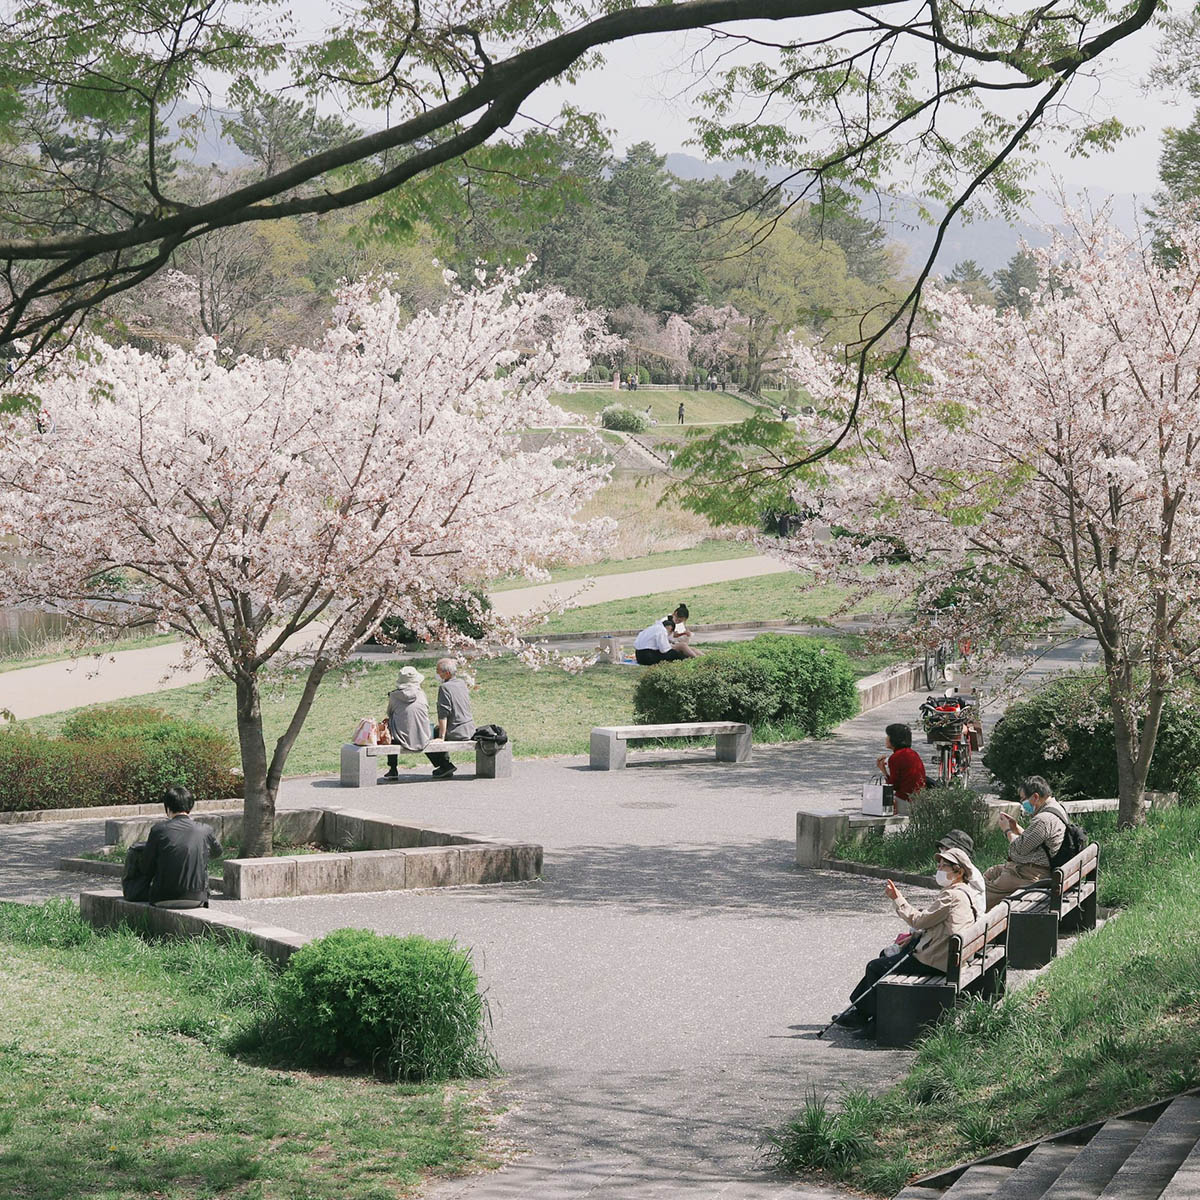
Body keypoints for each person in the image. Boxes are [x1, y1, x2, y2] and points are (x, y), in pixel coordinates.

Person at [834, 846, 981, 1035]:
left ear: (959, 871)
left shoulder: (951, 895)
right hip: (952, 957)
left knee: (875, 967)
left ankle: (872, 1021)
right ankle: (862, 1013)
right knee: (887, 957)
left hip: (937, 961)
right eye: (939, 864)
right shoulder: (966, 892)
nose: (939, 869)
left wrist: (898, 899)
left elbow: (919, 921)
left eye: (944, 866)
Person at [129, 785, 222, 909]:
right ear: (190, 807)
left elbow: (147, 867)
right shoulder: (205, 829)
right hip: (196, 900)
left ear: (167, 808)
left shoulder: (158, 830)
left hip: (162, 898)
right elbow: (218, 853)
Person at [984, 775, 1067, 908]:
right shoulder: (1057, 808)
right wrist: (1016, 828)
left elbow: (1017, 850)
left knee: (984, 891)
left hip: (1031, 876)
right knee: (991, 872)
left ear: (1035, 797)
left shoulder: (1043, 820)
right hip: (1038, 870)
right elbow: (1038, 841)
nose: (1023, 803)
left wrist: (1007, 831)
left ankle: (973, 921)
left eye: (1023, 799)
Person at [427, 658, 476, 779]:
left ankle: (445, 765)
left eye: (438, 671)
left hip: (457, 731)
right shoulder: (462, 683)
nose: (437, 674)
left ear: (447, 673)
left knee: (426, 735)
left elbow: (443, 714)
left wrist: (441, 737)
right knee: (437, 729)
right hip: (469, 728)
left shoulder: (444, 688)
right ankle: (445, 765)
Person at [382, 665, 430, 780]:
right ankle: (444, 764)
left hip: (400, 737)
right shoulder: (421, 694)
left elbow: (390, 712)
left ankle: (393, 768)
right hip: (423, 736)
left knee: (390, 724)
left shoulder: (394, 696)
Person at [875, 723, 927, 809]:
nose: (886, 738)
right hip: (919, 799)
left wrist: (883, 771)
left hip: (906, 800)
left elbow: (893, 786)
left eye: (888, 736)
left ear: (894, 739)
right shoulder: (912, 753)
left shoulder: (895, 757)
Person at [634, 605, 699, 664]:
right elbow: (664, 650)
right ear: (670, 629)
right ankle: (697, 660)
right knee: (679, 651)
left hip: (639, 655)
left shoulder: (654, 627)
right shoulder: (662, 631)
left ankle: (701, 657)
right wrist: (675, 647)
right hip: (647, 657)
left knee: (685, 648)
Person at [937, 829, 986, 902]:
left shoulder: (967, 878)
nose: (943, 852)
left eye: (947, 849)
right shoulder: (965, 872)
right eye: (941, 848)